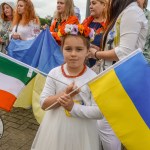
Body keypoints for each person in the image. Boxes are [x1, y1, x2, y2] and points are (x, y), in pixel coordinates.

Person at [31, 24, 103, 150]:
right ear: (62, 49)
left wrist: (72, 107)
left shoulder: (93, 77)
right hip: (55, 129)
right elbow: (43, 104)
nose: (73, 54)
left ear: (87, 51)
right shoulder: (54, 73)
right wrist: (65, 94)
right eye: (68, 49)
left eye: (79, 49)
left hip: (82, 132)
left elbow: (99, 112)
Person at [89, 0, 148, 150]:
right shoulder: (125, 12)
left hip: (120, 79)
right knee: (106, 126)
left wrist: (97, 54)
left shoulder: (132, 12)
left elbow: (125, 52)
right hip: (113, 77)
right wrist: (100, 49)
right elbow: (119, 47)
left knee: (106, 126)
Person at [82, 0, 107, 68]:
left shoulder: (110, 25)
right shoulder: (85, 23)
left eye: (94, 3)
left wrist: (99, 51)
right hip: (83, 65)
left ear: (104, 5)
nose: (90, 6)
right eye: (90, 3)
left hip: (101, 67)